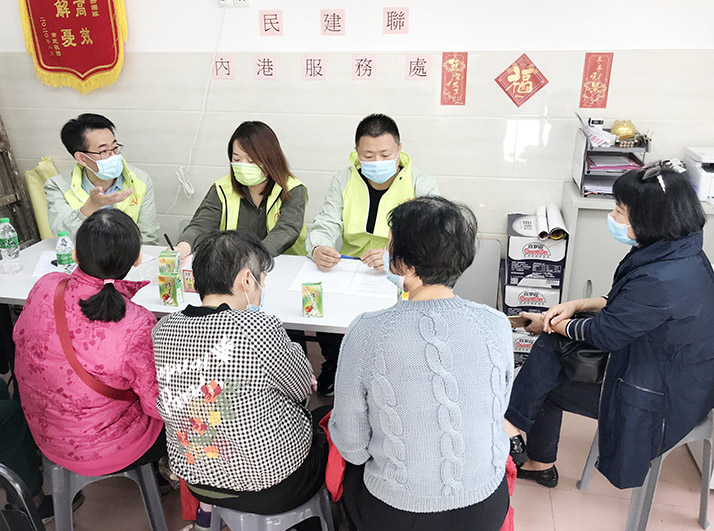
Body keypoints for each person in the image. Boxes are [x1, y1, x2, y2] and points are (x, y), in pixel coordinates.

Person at [505, 159, 714, 490]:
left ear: (648, 219)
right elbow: (630, 304)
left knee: (545, 372)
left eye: (619, 211)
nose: (612, 217)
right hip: (660, 364)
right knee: (547, 359)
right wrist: (578, 305)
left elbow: (604, 333)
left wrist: (551, 323)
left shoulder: (663, 277)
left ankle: (513, 433)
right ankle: (518, 435)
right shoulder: (678, 250)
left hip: (662, 395)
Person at [330, 197, 512, 531]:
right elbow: (497, 409)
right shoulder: (496, 324)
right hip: (485, 506)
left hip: (399, 511)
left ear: (408, 264)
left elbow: (353, 447)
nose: (387, 251)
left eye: (391, 244)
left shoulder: (367, 332)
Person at [152, 230, 329, 531]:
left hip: (198, 481)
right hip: (275, 485)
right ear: (247, 280)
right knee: (322, 421)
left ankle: (208, 515)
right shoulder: (257, 327)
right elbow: (301, 389)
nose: (261, 288)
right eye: (261, 280)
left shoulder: (163, 329)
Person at [13, 209, 165, 477]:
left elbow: (19, 338)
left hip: (43, 434)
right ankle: (162, 479)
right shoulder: (138, 323)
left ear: (74, 254)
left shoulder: (46, 286)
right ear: (137, 259)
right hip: (104, 450)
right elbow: (156, 404)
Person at [306, 113, 439, 395]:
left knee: (390, 332)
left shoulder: (421, 184)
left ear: (399, 149)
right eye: (368, 155)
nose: (377, 161)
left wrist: (394, 257)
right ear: (356, 152)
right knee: (327, 312)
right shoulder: (343, 180)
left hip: (400, 274)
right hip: (349, 268)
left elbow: (430, 239)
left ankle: (384, 376)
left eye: (385, 154)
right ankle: (335, 364)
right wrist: (318, 247)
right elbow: (326, 222)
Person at [176, 121, 307, 258]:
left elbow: (286, 230)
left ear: (270, 159)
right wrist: (182, 247)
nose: (243, 166)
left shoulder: (292, 189)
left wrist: (255, 257)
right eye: (237, 159)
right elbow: (202, 225)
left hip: (284, 264)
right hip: (233, 264)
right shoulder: (222, 188)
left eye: (251, 161)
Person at [45, 113, 160, 244]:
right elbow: (63, 237)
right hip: (84, 255)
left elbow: (147, 238)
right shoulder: (57, 186)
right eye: (103, 151)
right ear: (82, 158)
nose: (113, 156)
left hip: (130, 255)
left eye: (115, 147)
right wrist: (88, 209)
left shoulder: (140, 180)